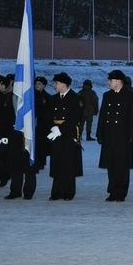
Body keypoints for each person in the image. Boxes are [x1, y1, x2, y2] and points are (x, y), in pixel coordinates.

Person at [97, 70, 133, 202]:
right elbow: (103, 116)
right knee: (111, 164)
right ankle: (112, 190)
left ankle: (121, 191)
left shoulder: (130, 96)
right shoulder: (107, 96)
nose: (108, 82)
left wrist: (132, 135)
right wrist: (100, 133)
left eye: (111, 80)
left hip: (123, 136)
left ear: (118, 81)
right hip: (109, 135)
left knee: (122, 165)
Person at [47, 72, 84, 201]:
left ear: (63, 84)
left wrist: (60, 129)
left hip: (68, 135)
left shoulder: (76, 98)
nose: (54, 85)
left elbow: (75, 118)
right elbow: (48, 116)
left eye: (56, 83)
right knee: (57, 163)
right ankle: (56, 192)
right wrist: (52, 127)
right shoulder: (53, 99)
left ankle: (68, 192)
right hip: (55, 134)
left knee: (68, 164)